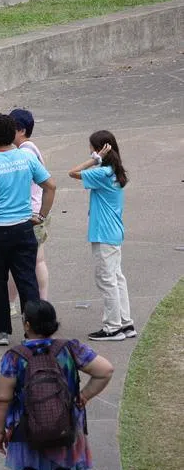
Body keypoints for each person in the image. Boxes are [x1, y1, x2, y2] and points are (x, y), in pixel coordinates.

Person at [0, 299, 114, 470]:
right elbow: (106, 370)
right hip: (66, 430)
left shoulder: (14, 357)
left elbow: (2, 397)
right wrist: (85, 395)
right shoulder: (70, 348)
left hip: (27, 434)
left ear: (27, 325)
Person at [0, 114, 57, 345]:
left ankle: (0, 331)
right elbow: (50, 186)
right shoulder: (26, 159)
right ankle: (35, 331)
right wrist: (41, 215)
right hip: (23, 228)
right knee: (27, 279)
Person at [67, 131, 136, 341]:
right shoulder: (115, 172)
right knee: (116, 278)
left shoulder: (102, 173)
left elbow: (72, 172)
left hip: (104, 233)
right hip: (113, 232)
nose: (89, 150)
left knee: (106, 280)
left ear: (99, 149)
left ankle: (112, 327)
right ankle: (125, 322)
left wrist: (92, 160)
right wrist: (99, 160)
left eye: (91, 148)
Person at [7, 109, 49, 316]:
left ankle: (24, 304)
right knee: (35, 260)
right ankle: (39, 304)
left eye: (11, 127)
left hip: (30, 212)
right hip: (38, 209)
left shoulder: (24, 153)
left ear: (21, 130)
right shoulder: (31, 148)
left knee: (26, 262)